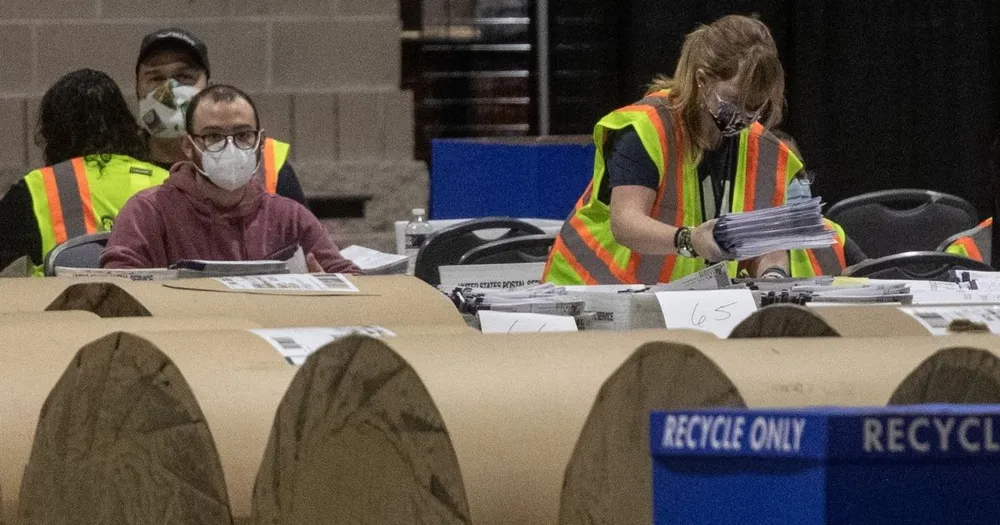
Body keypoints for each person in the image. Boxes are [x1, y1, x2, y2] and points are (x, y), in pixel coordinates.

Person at [543, 15, 843, 285]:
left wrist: (772, 276)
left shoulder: (763, 151)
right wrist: (690, 239)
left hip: (674, 301)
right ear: (702, 80)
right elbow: (626, 222)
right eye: (734, 100)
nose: (744, 115)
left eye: (755, 106)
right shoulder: (647, 129)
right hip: (589, 288)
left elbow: (765, 240)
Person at [100, 84, 359, 273]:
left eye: (243, 135)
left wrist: (328, 288)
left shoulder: (289, 217)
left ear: (259, 140)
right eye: (213, 136)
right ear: (188, 146)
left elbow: (352, 279)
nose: (230, 147)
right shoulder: (148, 212)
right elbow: (116, 291)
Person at [0, 69, 169, 276]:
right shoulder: (166, 182)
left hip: (65, 307)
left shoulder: (36, 189)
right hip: (157, 307)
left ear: (52, 133)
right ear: (126, 124)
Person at [134, 28, 308, 205]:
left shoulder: (263, 162)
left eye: (184, 76)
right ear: (137, 89)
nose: (169, 90)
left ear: (209, 88)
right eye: (155, 78)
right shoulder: (113, 161)